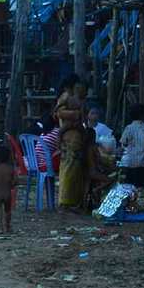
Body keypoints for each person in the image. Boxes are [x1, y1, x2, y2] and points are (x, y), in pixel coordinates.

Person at [55, 75, 87, 210]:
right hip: (69, 137)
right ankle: (66, 202)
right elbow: (59, 113)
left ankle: (73, 201)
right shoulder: (66, 96)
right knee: (69, 170)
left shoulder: (73, 97)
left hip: (74, 136)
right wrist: (76, 115)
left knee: (74, 170)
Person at [121, 103, 144, 209]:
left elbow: (123, 143)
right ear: (143, 115)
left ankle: (130, 206)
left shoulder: (128, 128)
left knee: (130, 186)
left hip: (131, 163)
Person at [0, 144, 18, 233]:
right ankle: (8, 227)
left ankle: (0, 228)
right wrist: (11, 185)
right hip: (8, 193)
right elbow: (15, 181)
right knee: (8, 210)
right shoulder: (11, 169)